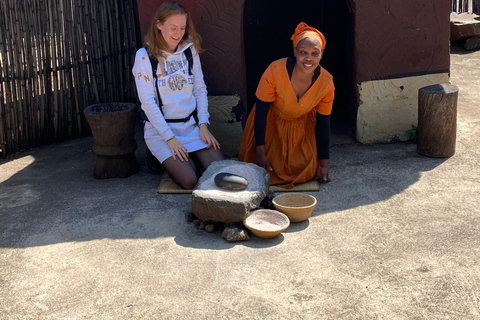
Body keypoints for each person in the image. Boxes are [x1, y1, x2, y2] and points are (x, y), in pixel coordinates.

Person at [133, 1, 224, 189]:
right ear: (159, 25)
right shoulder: (145, 57)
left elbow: (199, 89)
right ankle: (162, 157)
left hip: (191, 127)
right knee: (189, 181)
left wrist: (204, 125)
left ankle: (190, 157)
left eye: (182, 28)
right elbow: (148, 103)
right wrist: (169, 138)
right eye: (173, 27)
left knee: (219, 172)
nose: (178, 33)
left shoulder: (189, 51)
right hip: (162, 131)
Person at [238, 22, 334, 189]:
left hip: (301, 128)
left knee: (307, 171)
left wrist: (324, 163)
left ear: (321, 55)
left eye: (314, 53)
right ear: (295, 51)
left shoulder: (326, 82)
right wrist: (260, 151)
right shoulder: (275, 71)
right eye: (303, 52)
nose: (308, 58)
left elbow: (323, 122)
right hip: (271, 125)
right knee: (263, 169)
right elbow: (261, 112)